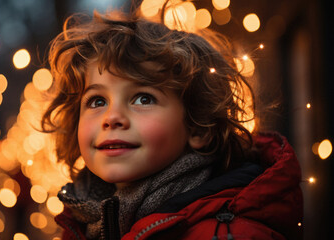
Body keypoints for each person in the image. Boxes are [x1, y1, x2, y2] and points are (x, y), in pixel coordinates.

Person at [41, 7, 303, 240]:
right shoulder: (82, 222)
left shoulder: (232, 233)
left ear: (198, 125)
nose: (112, 118)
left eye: (143, 98)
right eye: (97, 101)